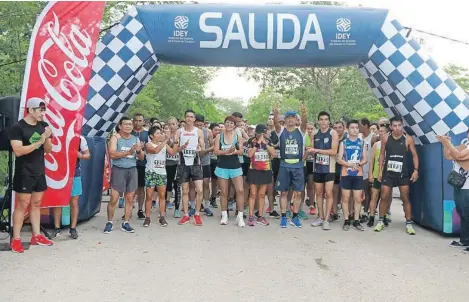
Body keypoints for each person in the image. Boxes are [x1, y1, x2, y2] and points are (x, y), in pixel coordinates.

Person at [9, 98, 53, 253]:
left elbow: (48, 150)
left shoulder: (44, 126)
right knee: (22, 205)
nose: (43, 113)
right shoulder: (18, 127)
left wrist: (46, 138)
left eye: (44, 109)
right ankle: (16, 239)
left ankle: (36, 235)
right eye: (40, 110)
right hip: (24, 171)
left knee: (36, 204)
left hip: (39, 170)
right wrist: (39, 141)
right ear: (30, 110)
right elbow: (18, 151)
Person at [376, 116, 419, 235]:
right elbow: (381, 155)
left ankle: (409, 223)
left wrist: (416, 170)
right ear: (390, 126)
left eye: (399, 125)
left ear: (402, 125)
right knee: (384, 196)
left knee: (405, 197)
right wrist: (379, 171)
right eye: (394, 126)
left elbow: (415, 155)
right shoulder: (385, 138)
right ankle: (380, 221)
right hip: (388, 173)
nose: (397, 128)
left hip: (403, 173)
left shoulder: (408, 139)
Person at [105, 116, 144, 234]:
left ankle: (126, 222)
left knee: (130, 198)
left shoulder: (135, 139)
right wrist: (128, 152)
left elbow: (141, 158)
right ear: (120, 126)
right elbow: (112, 154)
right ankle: (110, 222)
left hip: (132, 170)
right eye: (125, 124)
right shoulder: (115, 138)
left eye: (130, 124)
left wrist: (138, 151)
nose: (128, 126)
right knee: (114, 198)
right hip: (119, 169)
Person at [273, 103, 307, 228]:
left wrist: (304, 114)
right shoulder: (281, 131)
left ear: (296, 119)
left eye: (293, 117)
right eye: (288, 117)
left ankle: (295, 217)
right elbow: (276, 124)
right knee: (283, 193)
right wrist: (276, 114)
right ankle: (283, 217)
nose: (291, 119)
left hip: (298, 165)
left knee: (298, 193)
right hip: (284, 165)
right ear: (285, 120)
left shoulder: (301, 132)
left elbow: (304, 124)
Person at [51, 135, 90, 239]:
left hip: (74, 173)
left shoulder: (80, 138)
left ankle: (73, 228)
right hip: (58, 172)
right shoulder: (56, 134)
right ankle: (56, 228)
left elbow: (87, 155)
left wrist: (80, 155)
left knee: (74, 201)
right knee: (57, 202)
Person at [437, 132, 469, 250]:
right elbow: (449, 156)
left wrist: (447, 142)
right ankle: (465, 240)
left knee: (467, 214)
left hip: (468, 187)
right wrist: (445, 144)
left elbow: (459, 155)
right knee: (462, 213)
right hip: (460, 184)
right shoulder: (465, 144)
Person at [309, 111, 339, 230]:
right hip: (317, 168)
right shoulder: (314, 133)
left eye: (326, 119)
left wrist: (317, 151)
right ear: (318, 121)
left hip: (329, 168)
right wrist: (311, 151)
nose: (323, 121)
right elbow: (312, 149)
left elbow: (334, 151)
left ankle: (327, 219)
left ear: (329, 121)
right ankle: (320, 217)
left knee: (329, 192)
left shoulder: (333, 133)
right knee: (319, 193)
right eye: (321, 119)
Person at [337, 120, 368, 231]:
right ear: (348, 129)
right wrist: (349, 164)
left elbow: (365, 159)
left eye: (356, 127)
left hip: (358, 174)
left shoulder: (361, 142)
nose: (354, 129)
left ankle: (356, 221)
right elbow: (339, 159)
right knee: (345, 198)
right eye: (352, 127)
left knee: (357, 199)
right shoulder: (344, 143)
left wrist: (358, 164)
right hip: (346, 174)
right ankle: (346, 220)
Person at [214, 116, 245, 227]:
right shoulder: (219, 136)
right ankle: (224, 215)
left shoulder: (238, 136)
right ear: (224, 123)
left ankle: (240, 216)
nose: (229, 125)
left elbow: (241, 151)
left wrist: (235, 151)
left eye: (231, 123)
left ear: (234, 125)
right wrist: (226, 151)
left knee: (240, 190)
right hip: (222, 167)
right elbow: (216, 151)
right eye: (227, 122)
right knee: (224, 192)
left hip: (235, 167)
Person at [143, 126, 177, 227]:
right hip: (150, 172)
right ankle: (147, 217)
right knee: (149, 196)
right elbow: (155, 151)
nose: (160, 135)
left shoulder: (164, 145)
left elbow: (173, 152)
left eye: (161, 133)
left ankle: (162, 217)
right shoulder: (148, 144)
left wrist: (178, 144)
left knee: (162, 196)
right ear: (151, 136)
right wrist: (166, 140)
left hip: (162, 173)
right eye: (158, 133)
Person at [176, 110, 205, 226]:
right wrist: (180, 146)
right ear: (184, 118)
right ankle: (186, 215)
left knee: (200, 190)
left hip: (195, 163)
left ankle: (197, 214)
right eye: (187, 116)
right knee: (185, 190)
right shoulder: (179, 131)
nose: (189, 119)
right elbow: (175, 147)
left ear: (194, 119)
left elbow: (202, 147)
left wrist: (200, 148)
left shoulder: (198, 131)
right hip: (183, 163)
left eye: (191, 117)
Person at [246, 124, 277, 226]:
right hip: (254, 170)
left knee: (262, 194)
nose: (262, 135)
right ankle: (251, 216)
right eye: (260, 133)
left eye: (264, 133)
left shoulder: (268, 141)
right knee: (253, 194)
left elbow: (274, 154)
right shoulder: (251, 141)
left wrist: (265, 144)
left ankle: (260, 216)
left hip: (265, 170)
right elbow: (250, 154)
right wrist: (258, 143)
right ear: (256, 133)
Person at [367, 123, 389, 227]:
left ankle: (382, 217)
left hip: (388, 175)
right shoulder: (376, 145)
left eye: (382, 132)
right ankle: (371, 217)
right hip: (376, 175)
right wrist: (370, 174)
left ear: (388, 133)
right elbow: (371, 160)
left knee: (385, 198)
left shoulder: (391, 144)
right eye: (379, 131)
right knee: (374, 197)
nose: (380, 133)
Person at [195, 114, 214, 216]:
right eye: (197, 125)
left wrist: (205, 151)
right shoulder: (190, 131)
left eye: (201, 125)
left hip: (205, 160)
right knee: (194, 184)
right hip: (193, 160)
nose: (199, 127)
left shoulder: (208, 131)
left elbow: (213, 146)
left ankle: (206, 205)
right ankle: (193, 205)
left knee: (206, 183)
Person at [132, 113, 149, 220]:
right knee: (130, 188)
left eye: (140, 120)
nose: (138, 122)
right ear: (133, 121)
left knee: (141, 187)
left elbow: (151, 148)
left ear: (143, 122)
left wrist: (144, 148)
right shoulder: (129, 132)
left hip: (143, 163)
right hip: (131, 163)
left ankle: (140, 209)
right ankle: (128, 209)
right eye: (136, 120)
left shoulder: (147, 134)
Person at [359, 118, 375, 221]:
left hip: (369, 168)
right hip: (359, 167)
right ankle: (361, 211)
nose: (358, 127)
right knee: (360, 192)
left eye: (359, 125)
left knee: (367, 192)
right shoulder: (359, 137)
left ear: (365, 125)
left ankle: (366, 212)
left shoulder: (373, 137)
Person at [165, 117, 181, 217]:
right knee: (167, 185)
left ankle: (177, 208)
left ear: (177, 124)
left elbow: (181, 147)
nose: (171, 126)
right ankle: (165, 205)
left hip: (177, 163)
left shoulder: (181, 134)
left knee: (177, 185)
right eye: (170, 124)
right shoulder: (165, 134)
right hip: (167, 163)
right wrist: (169, 140)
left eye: (173, 124)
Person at [265, 113, 280, 218]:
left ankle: (275, 205)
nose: (271, 120)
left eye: (273, 119)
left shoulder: (279, 132)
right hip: (266, 162)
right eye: (269, 119)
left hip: (278, 160)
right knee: (269, 184)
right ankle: (267, 207)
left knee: (276, 182)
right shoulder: (264, 133)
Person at [332, 120, 347, 221]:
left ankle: (349, 214)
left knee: (346, 194)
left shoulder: (348, 139)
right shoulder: (332, 138)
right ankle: (334, 213)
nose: (337, 130)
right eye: (335, 128)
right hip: (334, 169)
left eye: (339, 127)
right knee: (334, 192)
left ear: (344, 128)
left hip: (346, 169)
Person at [304, 122, 316, 216]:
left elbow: (314, 150)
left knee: (311, 185)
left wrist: (310, 149)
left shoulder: (316, 137)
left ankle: (312, 205)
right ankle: (298, 206)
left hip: (312, 163)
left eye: (312, 129)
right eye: (308, 128)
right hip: (304, 163)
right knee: (302, 185)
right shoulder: (303, 136)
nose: (310, 131)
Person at [209, 123, 221, 208]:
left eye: (218, 130)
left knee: (214, 181)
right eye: (215, 130)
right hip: (207, 161)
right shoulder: (206, 137)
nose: (217, 132)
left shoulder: (221, 138)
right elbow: (210, 145)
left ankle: (213, 198)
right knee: (204, 182)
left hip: (216, 161)